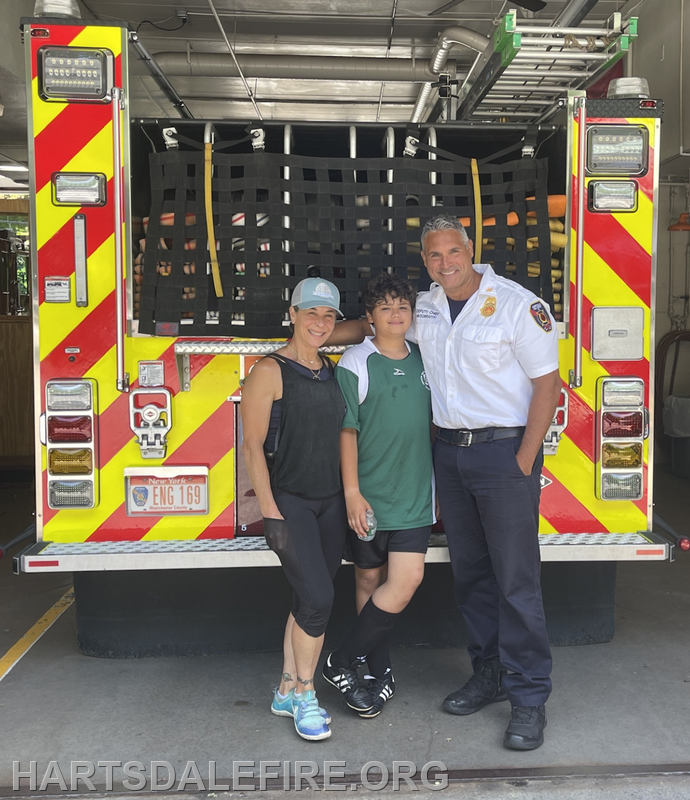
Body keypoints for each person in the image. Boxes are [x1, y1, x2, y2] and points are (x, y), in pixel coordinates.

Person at [326, 214, 561, 750]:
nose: (445, 263)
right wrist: (309, 335)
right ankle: (489, 675)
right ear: (425, 259)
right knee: (472, 577)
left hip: (504, 454)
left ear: (470, 249)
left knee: (516, 581)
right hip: (450, 458)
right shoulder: (426, 305)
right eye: (434, 256)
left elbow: (547, 384)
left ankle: (528, 699)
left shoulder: (517, 304)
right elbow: (372, 328)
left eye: (452, 252)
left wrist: (524, 459)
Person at [321, 273, 434, 719]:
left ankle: (341, 660)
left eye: (402, 307)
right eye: (384, 308)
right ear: (369, 317)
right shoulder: (355, 361)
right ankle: (378, 670)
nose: (395, 315)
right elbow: (346, 431)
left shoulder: (427, 358)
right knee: (368, 580)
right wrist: (352, 493)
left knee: (404, 581)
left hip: (414, 498)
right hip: (368, 497)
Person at [240, 277, 348, 742]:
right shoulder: (269, 370)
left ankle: (285, 689)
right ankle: (306, 693)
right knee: (320, 600)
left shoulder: (331, 370)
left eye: (329, 316)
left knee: (307, 600)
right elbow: (252, 446)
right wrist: (271, 513)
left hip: (332, 503)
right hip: (292, 503)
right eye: (311, 313)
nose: (320, 323)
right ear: (292, 313)